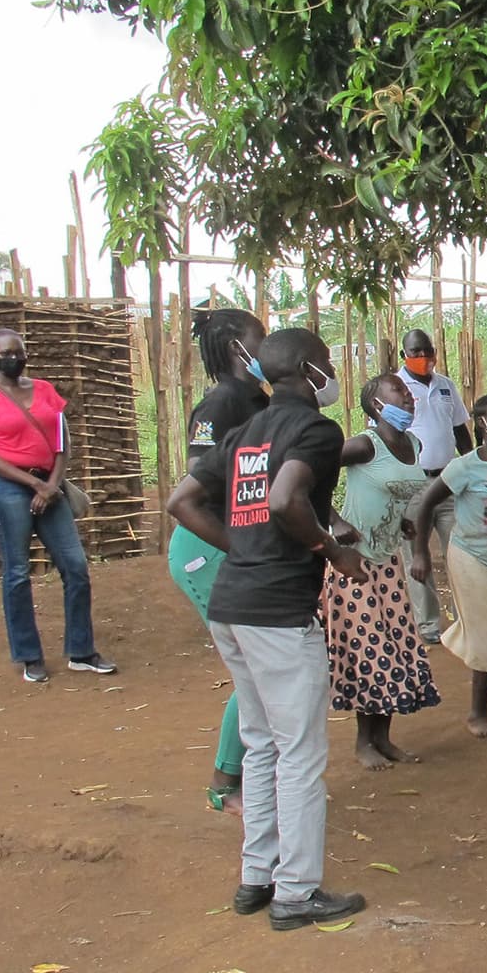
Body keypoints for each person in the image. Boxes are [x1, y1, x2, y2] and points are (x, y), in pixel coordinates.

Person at [166, 327, 370, 930]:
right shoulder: (315, 430)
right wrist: (328, 550)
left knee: (260, 742)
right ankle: (296, 892)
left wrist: (244, 550)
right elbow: (285, 499)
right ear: (309, 371)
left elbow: (182, 501)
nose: (332, 373)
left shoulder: (244, 432)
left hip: (234, 604)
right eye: (328, 363)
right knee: (300, 753)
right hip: (278, 611)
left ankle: (258, 877)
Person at [0, 327, 116, 684]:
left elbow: (63, 443)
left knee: (75, 565)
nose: (13, 358)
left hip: (50, 483)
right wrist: (34, 484)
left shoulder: (45, 390)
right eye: (6, 353)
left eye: (19, 351)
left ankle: (81, 650)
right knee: (17, 573)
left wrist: (51, 483)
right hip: (8, 487)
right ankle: (29, 655)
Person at [171, 308, 270, 811]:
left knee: (261, 664)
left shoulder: (257, 398)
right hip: (207, 544)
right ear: (237, 346)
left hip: (240, 543)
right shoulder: (220, 403)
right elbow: (198, 478)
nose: (267, 347)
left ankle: (248, 775)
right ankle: (225, 783)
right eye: (261, 338)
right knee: (253, 667)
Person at [324, 373, 440, 769]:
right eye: (397, 392)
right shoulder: (363, 445)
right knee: (368, 651)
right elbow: (309, 475)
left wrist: (403, 524)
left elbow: (396, 493)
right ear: (376, 404)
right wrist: (333, 519)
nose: (407, 397)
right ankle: (363, 743)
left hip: (388, 561)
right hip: (353, 561)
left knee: (393, 647)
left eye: (408, 392)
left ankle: (383, 739)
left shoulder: (413, 443)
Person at [409, 394, 487, 739]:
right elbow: (425, 505)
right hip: (469, 558)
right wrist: (420, 552)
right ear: (482, 423)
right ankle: (477, 714)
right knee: (484, 635)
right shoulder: (463, 467)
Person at [395, 329, 473, 643]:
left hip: (448, 481)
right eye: (415, 352)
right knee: (416, 555)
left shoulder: (445, 386)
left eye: (427, 351)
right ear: (404, 355)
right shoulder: (394, 388)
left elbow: (461, 431)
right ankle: (427, 624)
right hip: (412, 484)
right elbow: (383, 439)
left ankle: (465, 621)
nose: (423, 358)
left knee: (459, 551)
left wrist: (473, 467)